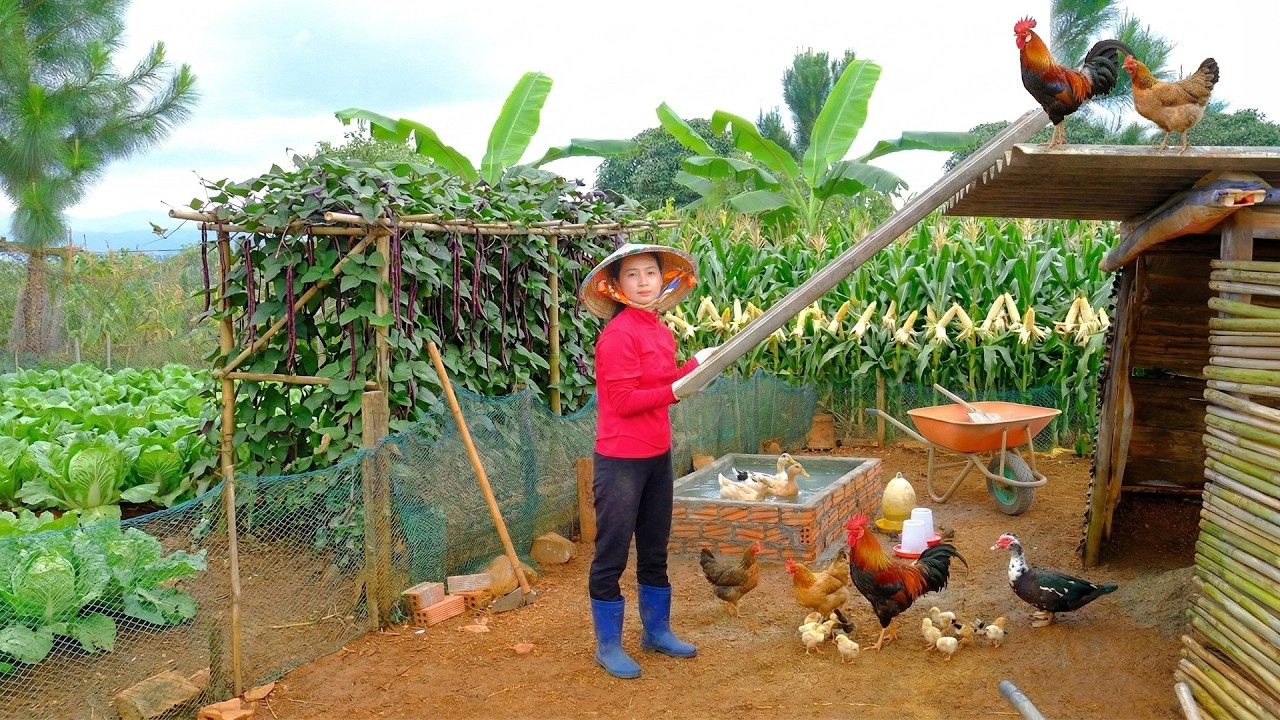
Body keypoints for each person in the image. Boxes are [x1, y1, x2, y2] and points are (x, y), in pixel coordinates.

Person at [578, 241, 718, 679]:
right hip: (621, 460)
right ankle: (608, 645)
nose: (643, 282)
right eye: (632, 275)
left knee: (655, 550)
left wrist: (697, 364)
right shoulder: (618, 335)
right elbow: (621, 400)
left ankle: (656, 632)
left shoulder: (659, 329)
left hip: (658, 455)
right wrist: (677, 391)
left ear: (663, 279)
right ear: (616, 286)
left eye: (650, 273)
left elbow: (662, 382)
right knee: (612, 553)